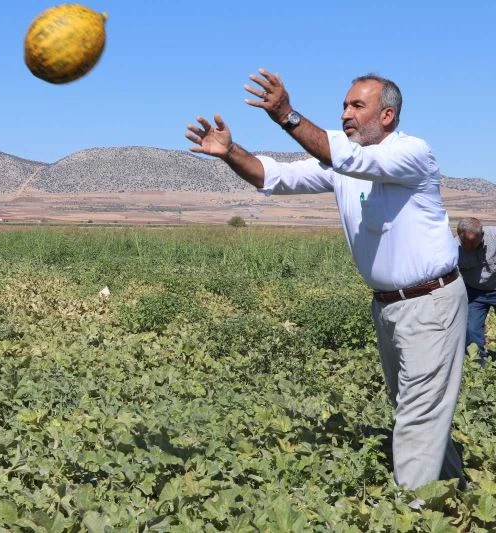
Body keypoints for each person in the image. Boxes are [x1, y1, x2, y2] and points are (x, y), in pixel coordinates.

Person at [185, 70, 467, 492]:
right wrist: (230, 152)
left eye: (357, 106)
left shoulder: (411, 153)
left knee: (418, 413)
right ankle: (453, 492)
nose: (345, 113)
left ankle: (415, 512)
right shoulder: (343, 165)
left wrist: (287, 115)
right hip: (388, 305)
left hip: (431, 303)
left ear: (387, 115)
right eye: (344, 105)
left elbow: (350, 159)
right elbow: (271, 176)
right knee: (414, 407)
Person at [457, 217, 496, 365]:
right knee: (471, 330)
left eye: (473, 243)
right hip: (474, 293)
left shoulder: (494, 236)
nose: (469, 248)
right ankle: (479, 366)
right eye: (465, 242)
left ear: (482, 235)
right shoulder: (453, 248)